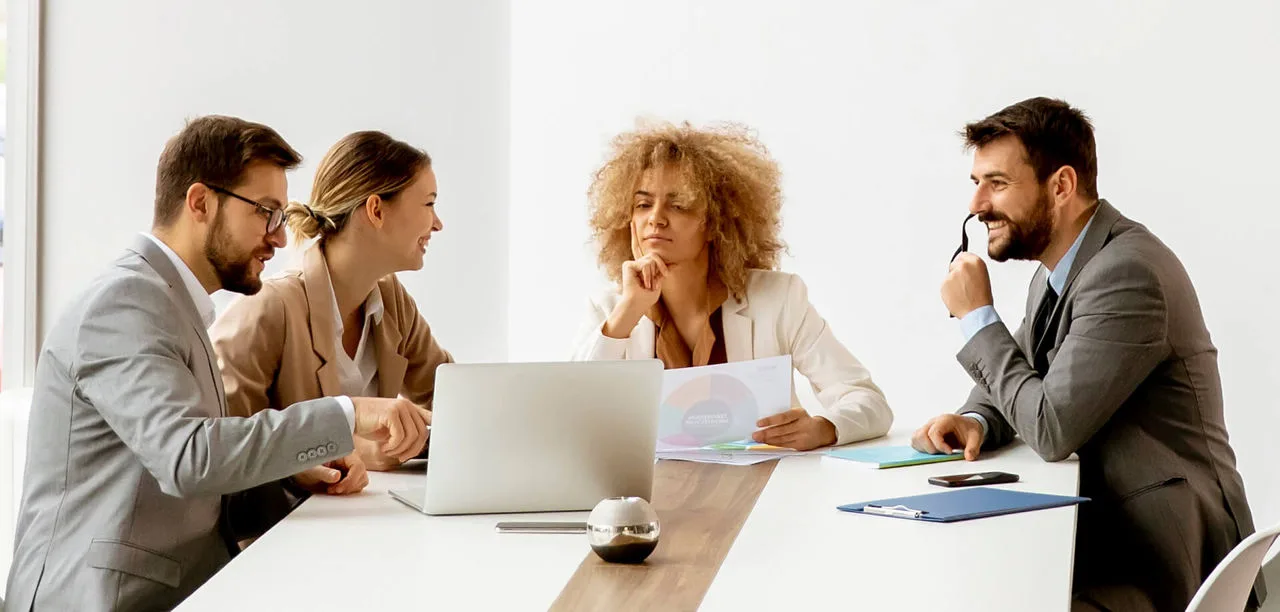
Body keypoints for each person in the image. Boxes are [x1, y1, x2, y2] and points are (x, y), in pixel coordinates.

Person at [4, 116, 430, 612]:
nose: (278, 236)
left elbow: (202, 493)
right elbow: (190, 459)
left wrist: (294, 474)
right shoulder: (123, 304)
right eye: (266, 212)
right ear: (201, 202)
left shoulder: (175, 306)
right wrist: (347, 413)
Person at [911, 97, 1264, 611]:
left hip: (1162, 561)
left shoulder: (1126, 275)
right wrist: (977, 420)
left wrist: (976, 317)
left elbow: (1051, 427)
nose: (977, 204)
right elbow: (1024, 374)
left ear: (1061, 186)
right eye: (976, 183)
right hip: (1112, 537)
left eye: (998, 183)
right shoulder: (1059, 272)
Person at [571, 121, 891, 450]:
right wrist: (630, 309)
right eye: (642, 204)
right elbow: (571, 417)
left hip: (764, 491)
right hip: (651, 493)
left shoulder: (780, 299)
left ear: (714, 223)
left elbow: (868, 402)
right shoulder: (611, 310)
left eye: (678, 205)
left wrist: (825, 428)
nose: (656, 218)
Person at [211, 130, 452, 484]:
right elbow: (220, 448)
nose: (437, 223)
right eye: (429, 204)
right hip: (278, 532)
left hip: (353, 519)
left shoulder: (391, 301)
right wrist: (339, 445)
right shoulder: (267, 308)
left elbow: (451, 396)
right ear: (376, 210)